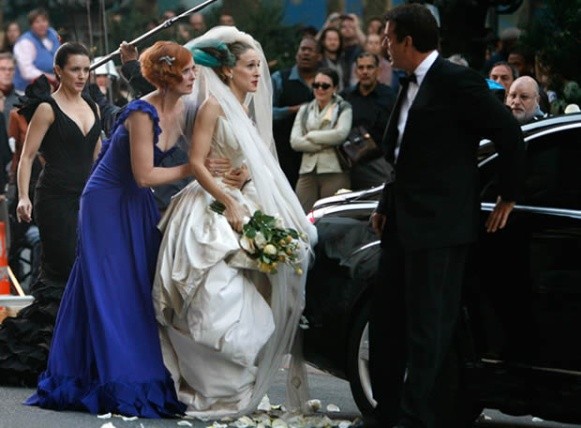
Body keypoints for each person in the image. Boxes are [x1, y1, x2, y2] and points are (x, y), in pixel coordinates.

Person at [366, 4, 526, 427]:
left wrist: (507, 195)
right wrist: (385, 204)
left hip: (441, 228)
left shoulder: (458, 82)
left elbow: (509, 134)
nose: (384, 46)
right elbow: (405, 156)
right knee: (386, 322)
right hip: (400, 222)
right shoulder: (406, 83)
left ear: (407, 42)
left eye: (388, 38)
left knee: (428, 329)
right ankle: (385, 412)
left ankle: (416, 417)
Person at [153, 26, 317, 419]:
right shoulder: (212, 106)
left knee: (253, 291)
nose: (258, 73)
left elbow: (245, 159)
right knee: (214, 295)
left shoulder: (243, 109)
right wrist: (227, 199)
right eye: (250, 66)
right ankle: (210, 387)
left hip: (239, 198)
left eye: (259, 66)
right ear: (228, 70)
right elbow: (197, 162)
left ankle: (233, 387)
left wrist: (241, 178)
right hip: (210, 204)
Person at [25, 41, 196, 417]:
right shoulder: (140, 112)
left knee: (136, 282)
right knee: (111, 286)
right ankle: (120, 376)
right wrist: (195, 168)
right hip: (104, 202)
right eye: (187, 70)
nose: (194, 76)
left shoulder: (184, 107)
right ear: (168, 75)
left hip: (136, 203)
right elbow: (144, 174)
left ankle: (86, 369)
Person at [0, 42, 101, 386]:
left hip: (87, 200)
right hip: (54, 199)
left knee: (85, 269)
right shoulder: (47, 108)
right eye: (75, 69)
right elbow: (27, 157)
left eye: (86, 69)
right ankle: (43, 353)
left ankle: (75, 352)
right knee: (65, 270)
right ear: (58, 71)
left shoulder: (93, 106)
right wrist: (23, 197)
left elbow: (97, 159)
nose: (82, 76)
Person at [290, 67, 352, 213]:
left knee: (331, 216)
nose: (320, 89)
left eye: (325, 86)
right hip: (307, 170)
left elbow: (340, 135)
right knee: (303, 215)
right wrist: (323, 144)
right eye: (316, 85)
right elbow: (295, 141)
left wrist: (311, 135)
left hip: (334, 169)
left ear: (335, 88)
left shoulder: (343, 107)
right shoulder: (305, 109)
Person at [342, 52, 396, 190]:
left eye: (369, 67)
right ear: (356, 71)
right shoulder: (346, 97)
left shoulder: (389, 96)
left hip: (379, 162)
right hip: (350, 162)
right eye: (361, 67)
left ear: (378, 70)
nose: (365, 72)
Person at [271, 37, 320, 188]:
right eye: (302, 49)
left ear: (319, 56)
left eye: (310, 50)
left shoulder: (325, 81)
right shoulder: (279, 78)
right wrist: (293, 110)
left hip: (317, 157)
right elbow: (266, 113)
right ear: (296, 54)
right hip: (283, 154)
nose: (305, 53)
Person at [13, 8, 61, 93]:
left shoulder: (53, 33)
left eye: (44, 21)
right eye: (37, 22)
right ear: (31, 25)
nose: (41, 25)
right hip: (27, 91)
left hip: (53, 87)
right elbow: (27, 72)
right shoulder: (25, 42)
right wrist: (52, 78)